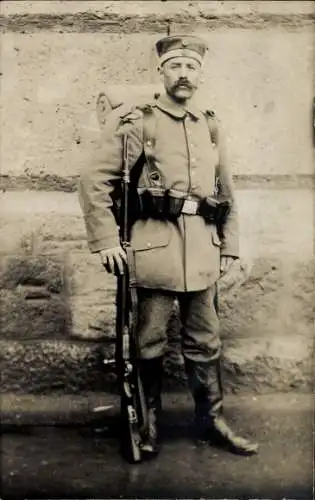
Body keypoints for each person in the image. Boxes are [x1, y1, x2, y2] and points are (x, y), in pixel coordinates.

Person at [78, 34, 258, 459]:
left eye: (191, 67)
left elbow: (225, 189)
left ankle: (211, 421)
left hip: (202, 250)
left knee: (205, 341)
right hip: (154, 247)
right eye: (175, 66)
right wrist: (105, 240)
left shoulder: (210, 124)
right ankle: (147, 423)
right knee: (150, 340)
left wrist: (229, 242)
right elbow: (93, 182)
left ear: (200, 74)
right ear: (161, 72)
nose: (183, 74)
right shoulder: (141, 122)